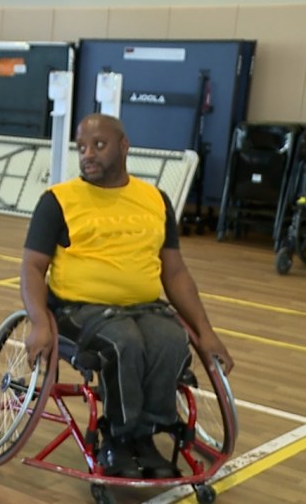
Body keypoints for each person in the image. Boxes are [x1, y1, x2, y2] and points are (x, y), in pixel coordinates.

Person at [21, 113, 235, 480]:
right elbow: (31, 268)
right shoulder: (58, 201)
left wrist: (206, 331)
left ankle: (148, 437)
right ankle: (118, 439)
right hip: (78, 308)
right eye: (82, 147)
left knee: (171, 339)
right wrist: (40, 322)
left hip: (144, 306)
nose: (88, 154)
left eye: (98, 145)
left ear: (123, 146)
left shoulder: (154, 199)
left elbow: (175, 272)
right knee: (124, 344)